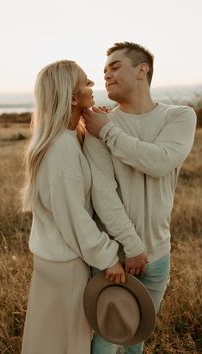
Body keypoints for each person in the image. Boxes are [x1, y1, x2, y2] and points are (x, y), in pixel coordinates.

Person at [83, 42, 197, 354]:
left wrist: (108, 133)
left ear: (142, 70)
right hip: (114, 259)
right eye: (105, 70)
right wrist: (131, 248)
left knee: (135, 341)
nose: (106, 75)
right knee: (105, 341)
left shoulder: (179, 116)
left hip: (159, 255)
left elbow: (160, 160)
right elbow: (103, 196)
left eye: (115, 67)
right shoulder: (97, 123)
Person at [20, 60, 125, 354]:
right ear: (71, 96)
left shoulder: (65, 139)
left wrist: (98, 127)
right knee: (66, 343)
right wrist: (108, 258)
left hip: (54, 260)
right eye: (86, 82)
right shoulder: (62, 151)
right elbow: (75, 219)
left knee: (48, 339)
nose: (93, 86)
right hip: (65, 265)